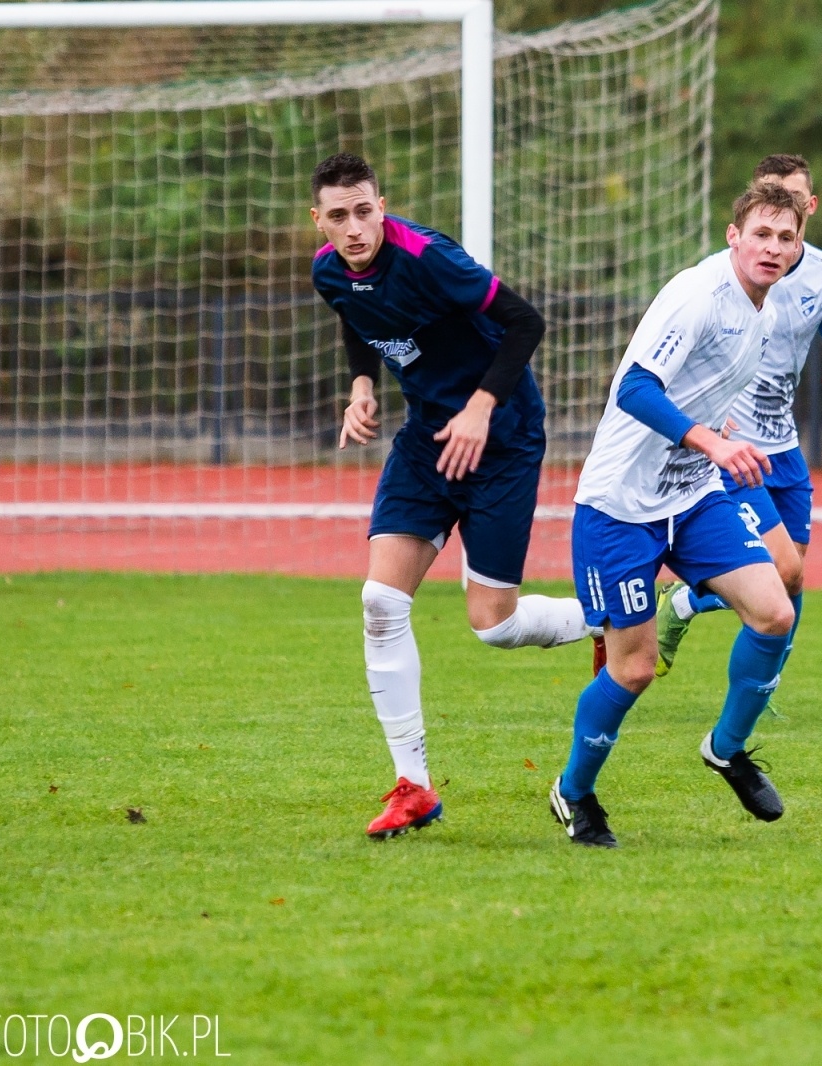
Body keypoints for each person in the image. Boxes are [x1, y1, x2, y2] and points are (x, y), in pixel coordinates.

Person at [310, 152, 594, 839]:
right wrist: (362, 386)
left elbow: (526, 322)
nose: (354, 228)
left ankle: (611, 612)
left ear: (383, 206)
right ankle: (414, 787)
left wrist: (481, 407)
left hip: (501, 439)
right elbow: (356, 316)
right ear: (318, 220)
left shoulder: (430, 259)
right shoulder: (328, 269)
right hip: (426, 442)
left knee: (494, 625)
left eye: (365, 211)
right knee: (380, 601)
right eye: (339, 216)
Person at [548, 181, 808, 848]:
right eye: (762, 235)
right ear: (734, 237)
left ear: (799, 244)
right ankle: (574, 793)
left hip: (691, 497)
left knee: (776, 610)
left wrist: (719, 443)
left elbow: (710, 391)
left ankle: (727, 748)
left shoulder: (768, 314)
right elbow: (633, 388)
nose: (773, 248)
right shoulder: (697, 296)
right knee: (632, 669)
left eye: (786, 237)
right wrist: (714, 442)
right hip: (619, 507)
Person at [651, 154, 822, 679]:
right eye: (766, 198)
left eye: (790, 201)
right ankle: (700, 634)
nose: (777, 214)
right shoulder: (718, 277)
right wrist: (702, 422)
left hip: (784, 448)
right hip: (731, 448)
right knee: (782, 569)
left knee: (790, 583)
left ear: (809, 209)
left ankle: (688, 607)